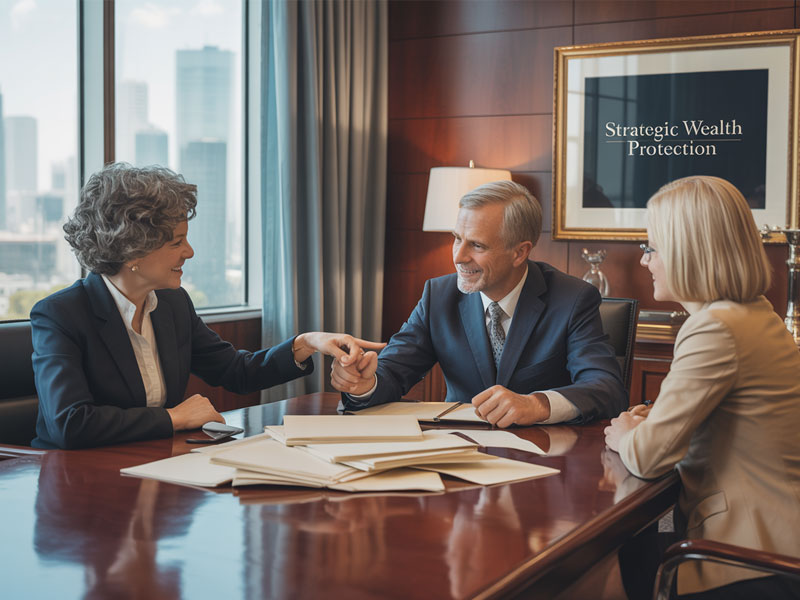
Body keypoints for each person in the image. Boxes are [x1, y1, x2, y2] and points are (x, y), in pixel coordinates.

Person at [31, 163, 382, 450]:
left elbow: (237, 372)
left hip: (151, 468)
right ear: (132, 250)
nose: (190, 252)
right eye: (176, 242)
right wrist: (175, 417)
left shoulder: (172, 304)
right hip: (76, 483)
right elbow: (70, 424)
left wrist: (305, 344)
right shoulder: (61, 315)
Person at [604, 176, 800, 599]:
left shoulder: (715, 327)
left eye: (651, 248)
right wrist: (652, 423)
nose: (644, 262)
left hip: (746, 560)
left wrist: (625, 433)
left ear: (687, 251)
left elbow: (650, 456)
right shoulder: (754, 314)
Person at [332, 180, 626, 426]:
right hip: (457, 454)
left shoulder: (572, 299)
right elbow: (393, 370)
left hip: (546, 460)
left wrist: (537, 405)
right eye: (457, 238)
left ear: (520, 252)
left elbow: (607, 388)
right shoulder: (439, 295)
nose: (458, 256)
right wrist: (364, 385)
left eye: (477, 245)